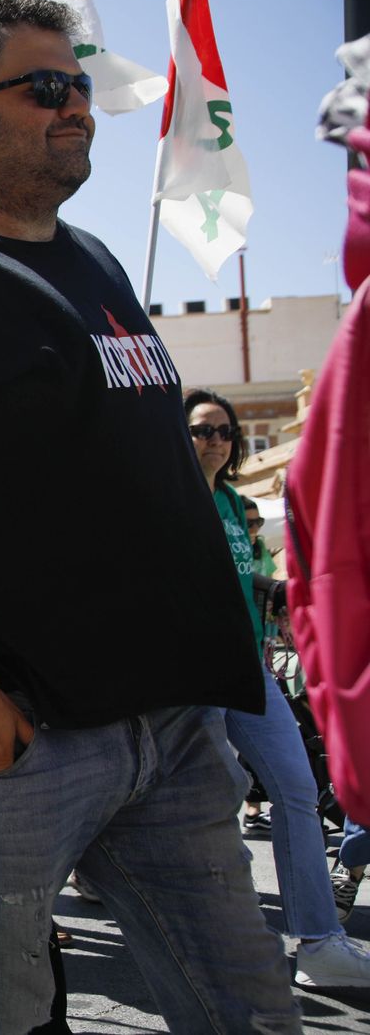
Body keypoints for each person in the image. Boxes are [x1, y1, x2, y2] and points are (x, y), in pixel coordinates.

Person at [0, 0, 300, 1032]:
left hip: (163, 727)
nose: (75, 104)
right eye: (44, 88)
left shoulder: (95, 261)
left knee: (245, 1003)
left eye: (77, 85)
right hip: (17, 737)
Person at [186, 387, 370, 988]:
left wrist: (275, 596)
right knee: (206, 808)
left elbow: (247, 581)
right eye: (201, 429)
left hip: (251, 669)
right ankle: (211, 943)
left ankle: (318, 941)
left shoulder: (238, 507)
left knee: (296, 789)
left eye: (224, 432)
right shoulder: (168, 498)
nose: (215, 440)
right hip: (192, 673)